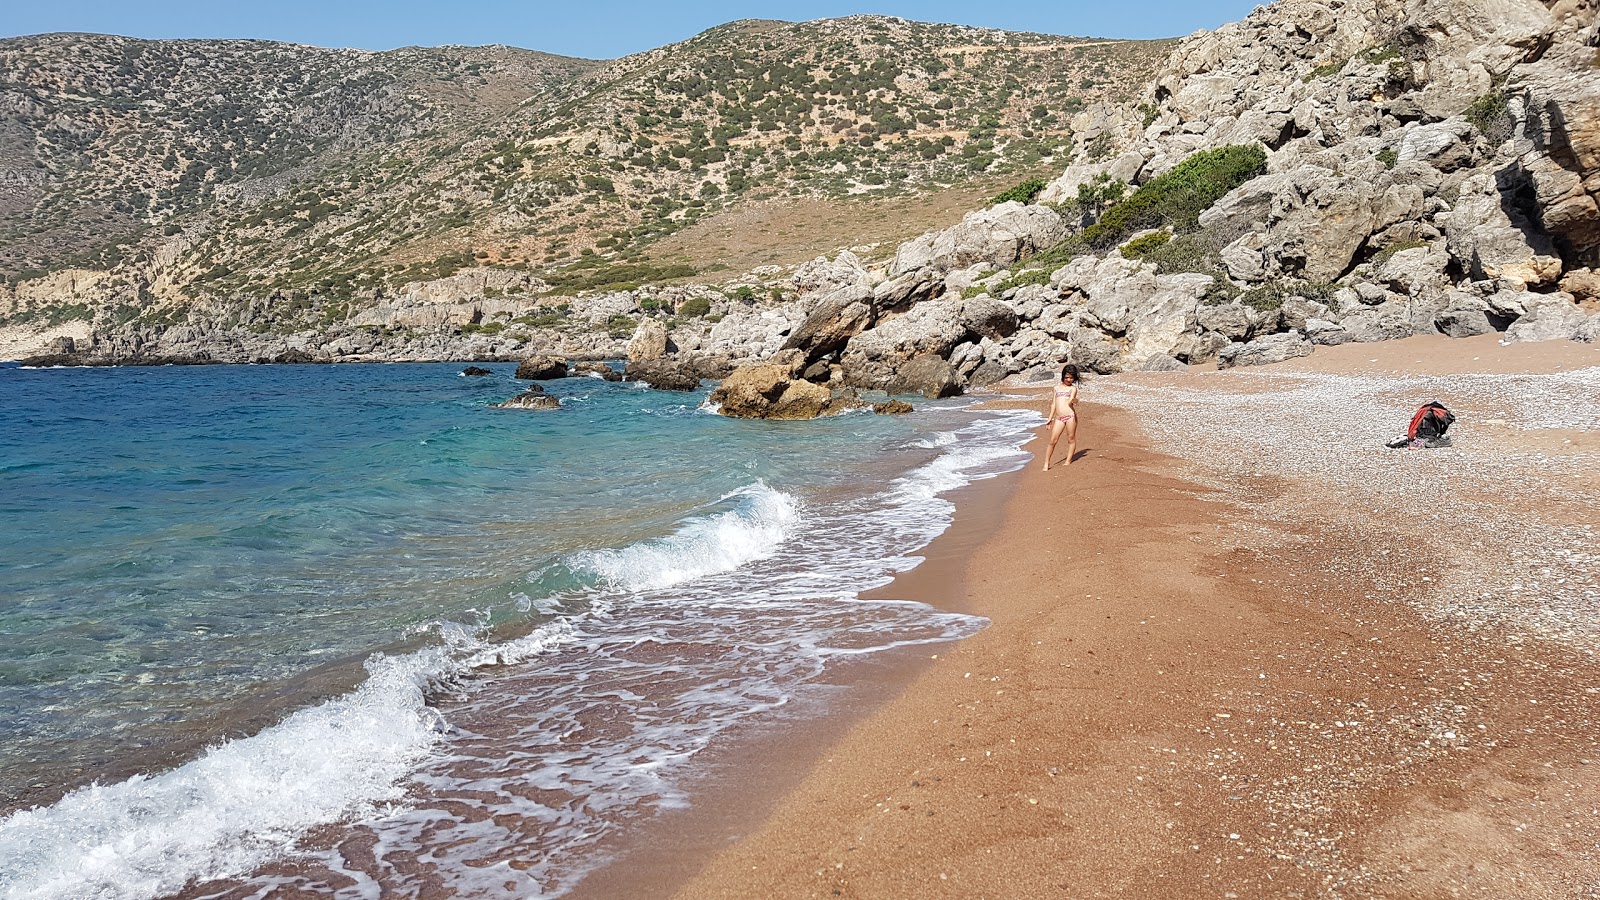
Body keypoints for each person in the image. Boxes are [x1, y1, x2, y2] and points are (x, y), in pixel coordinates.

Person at [1042, 364, 1080, 472]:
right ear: (1063, 376)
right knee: (1053, 440)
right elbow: (1053, 404)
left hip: (1070, 416)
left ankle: (1068, 460)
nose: (1069, 379)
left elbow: (1071, 400)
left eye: (1071, 377)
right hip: (1059, 418)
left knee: (1071, 438)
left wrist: (1074, 401)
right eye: (1067, 377)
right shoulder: (1056, 388)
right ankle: (1046, 463)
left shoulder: (1073, 388)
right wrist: (1050, 418)